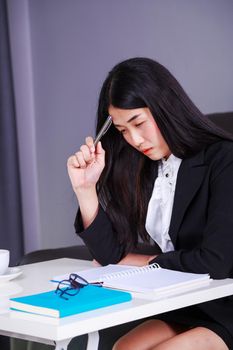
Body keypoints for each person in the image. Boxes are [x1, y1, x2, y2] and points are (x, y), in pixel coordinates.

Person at [67, 57, 233, 350]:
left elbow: (216, 261)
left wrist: (148, 263)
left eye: (138, 123)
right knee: (123, 348)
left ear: (165, 107)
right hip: (187, 301)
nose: (134, 139)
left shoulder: (223, 159)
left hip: (225, 301)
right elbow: (110, 254)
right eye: (122, 130)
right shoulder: (146, 168)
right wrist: (85, 189)